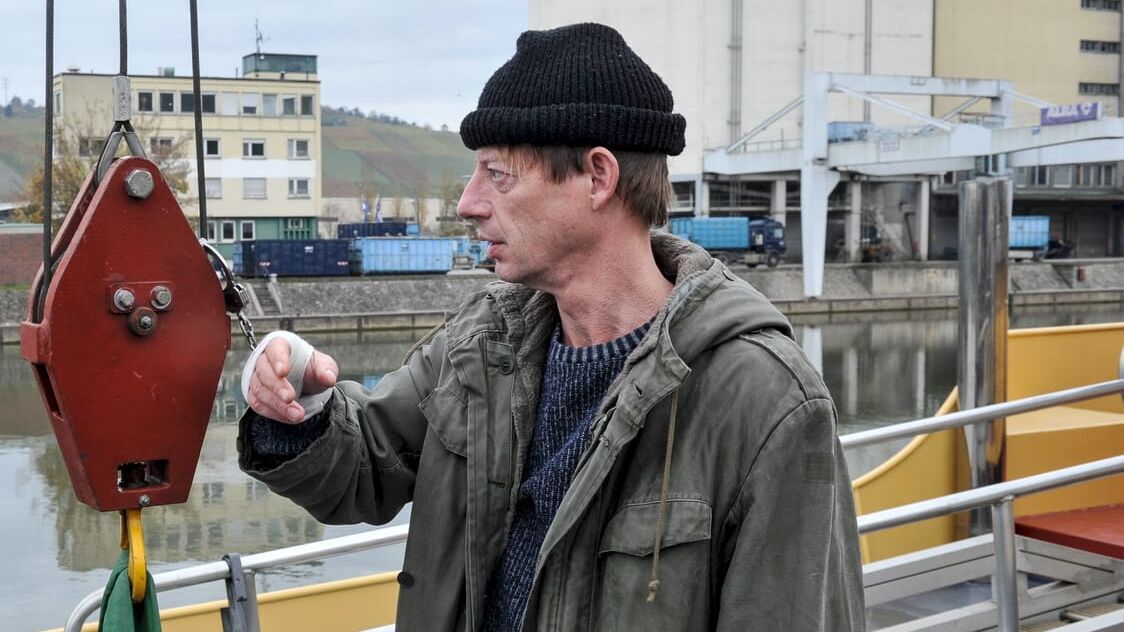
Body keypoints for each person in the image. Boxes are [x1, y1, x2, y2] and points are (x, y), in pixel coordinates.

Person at [238, 22, 865, 631]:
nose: (467, 203)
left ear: (598, 177)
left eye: (498, 174)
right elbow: (365, 469)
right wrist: (301, 400)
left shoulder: (768, 402)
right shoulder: (480, 344)